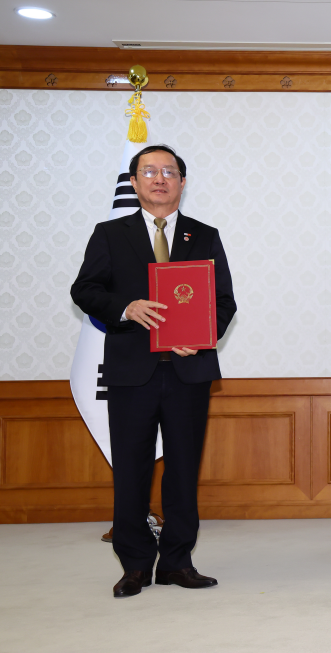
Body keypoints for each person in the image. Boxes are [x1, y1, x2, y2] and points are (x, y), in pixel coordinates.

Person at [71, 144, 237, 598]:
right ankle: (135, 565)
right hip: (131, 372)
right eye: (149, 171)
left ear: (183, 182)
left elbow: (224, 302)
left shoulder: (204, 235)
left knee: (183, 471)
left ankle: (178, 562)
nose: (159, 178)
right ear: (135, 182)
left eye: (169, 171)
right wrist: (125, 307)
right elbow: (84, 289)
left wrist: (202, 336)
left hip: (189, 371)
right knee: (131, 471)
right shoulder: (110, 233)